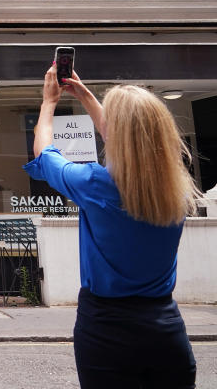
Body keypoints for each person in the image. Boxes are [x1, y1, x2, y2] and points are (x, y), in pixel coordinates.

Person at [25, 66, 200, 388]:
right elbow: (134, 141)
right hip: (165, 328)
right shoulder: (177, 189)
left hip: (107, 328)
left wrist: (49, 102)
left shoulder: (95, 184)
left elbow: (44, 152)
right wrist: (85, 95)